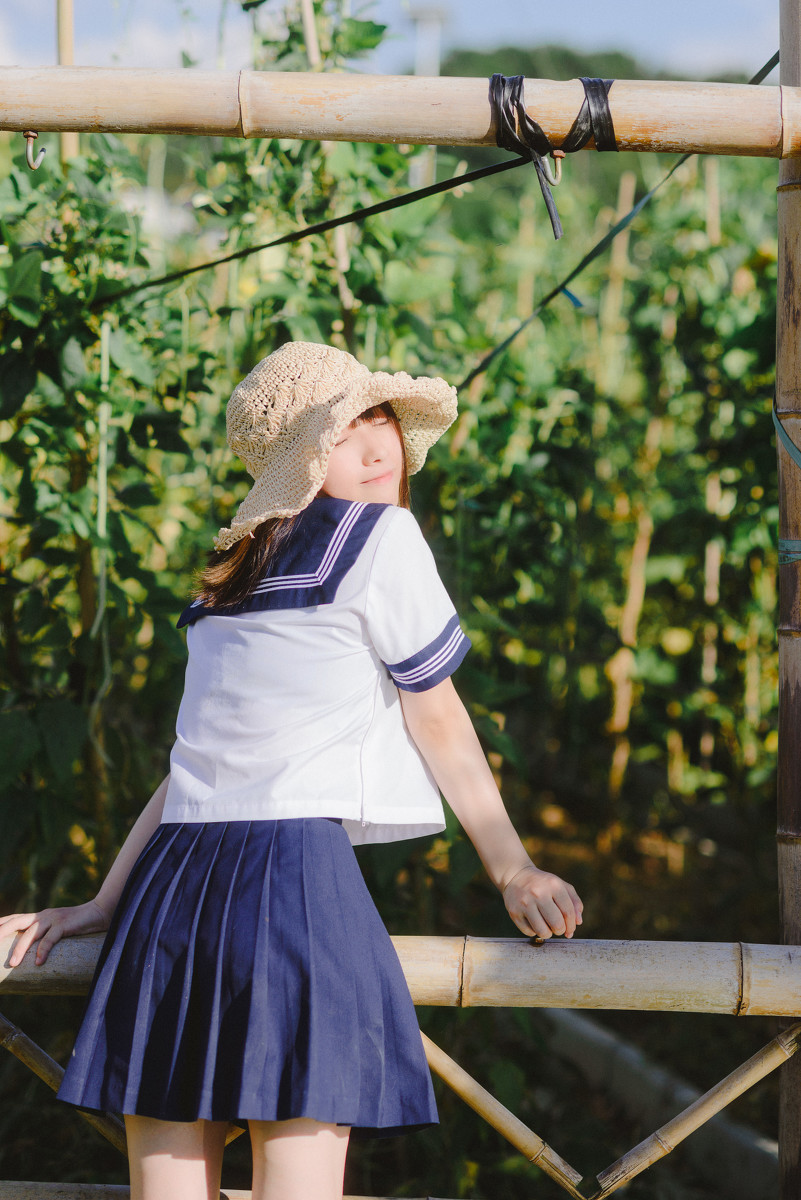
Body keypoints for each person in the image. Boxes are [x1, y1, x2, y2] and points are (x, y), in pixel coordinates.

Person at [0, 341, 583, 1200]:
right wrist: (512, 866)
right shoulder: (382, 536)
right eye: (346, 432)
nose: (378, 447)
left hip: (170, 899)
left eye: (378, 420)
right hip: (289, 889)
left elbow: (190, 774)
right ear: (299, 460)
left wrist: (108, 903)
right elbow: (436, 714)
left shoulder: (225, 583)